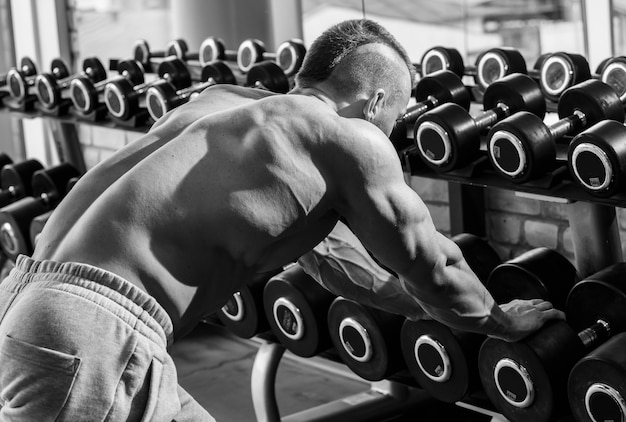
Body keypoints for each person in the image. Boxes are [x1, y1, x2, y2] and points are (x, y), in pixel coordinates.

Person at [0, 19, 564, 421]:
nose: (389, 134)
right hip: (94, 330)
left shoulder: (223, 105)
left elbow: (337, 266)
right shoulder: (348, 137)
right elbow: (434, 265)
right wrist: (497, 321)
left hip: (31, 296)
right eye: (394, 115)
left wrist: (428, 309)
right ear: (374, 103)